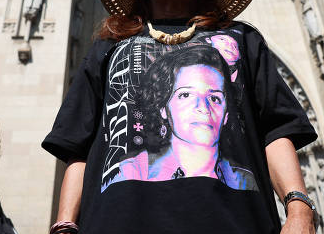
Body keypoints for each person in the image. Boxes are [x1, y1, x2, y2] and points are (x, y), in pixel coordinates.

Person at [38, 0, 322, 234]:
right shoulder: (107, 49)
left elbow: (276, 130)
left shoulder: (242, 40)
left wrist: (299, 212)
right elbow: (79, 149)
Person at [108, 44, 255, 190]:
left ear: (226, 114)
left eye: (214, 98)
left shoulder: (246, 182)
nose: (203, 108)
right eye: (186, 95)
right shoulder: (130, 173)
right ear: (163, 108)